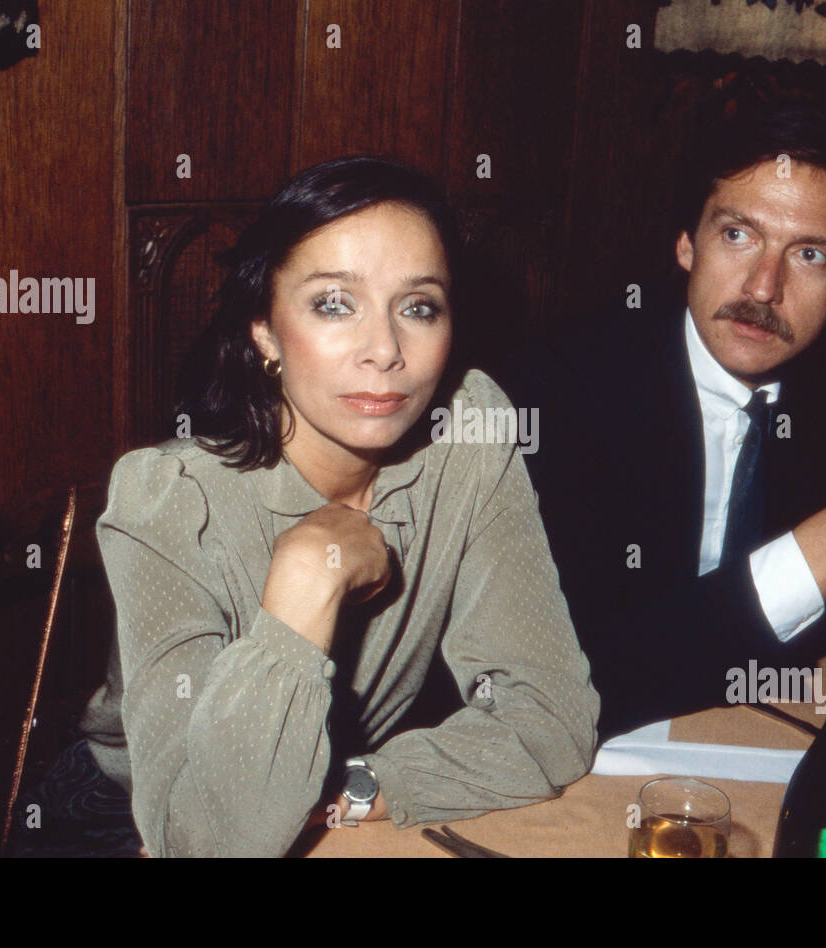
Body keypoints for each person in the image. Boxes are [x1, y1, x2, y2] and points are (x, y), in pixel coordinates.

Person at [95, 156, 598, 856]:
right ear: (264, 332)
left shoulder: (469, 430)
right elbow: (203, 841)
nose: (385, 350)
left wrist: (343, 791)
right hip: (127, 820)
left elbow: (552, 723)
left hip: (330, 811)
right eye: (335, 304)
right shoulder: (167, 500)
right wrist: (307, 573)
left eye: (418, 306)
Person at [503, 102, 826, 739]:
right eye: (737, 235)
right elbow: (578, 677)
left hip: (728, 733)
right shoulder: (557, 391)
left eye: (809, 255)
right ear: (685, 244)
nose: (762, 286)